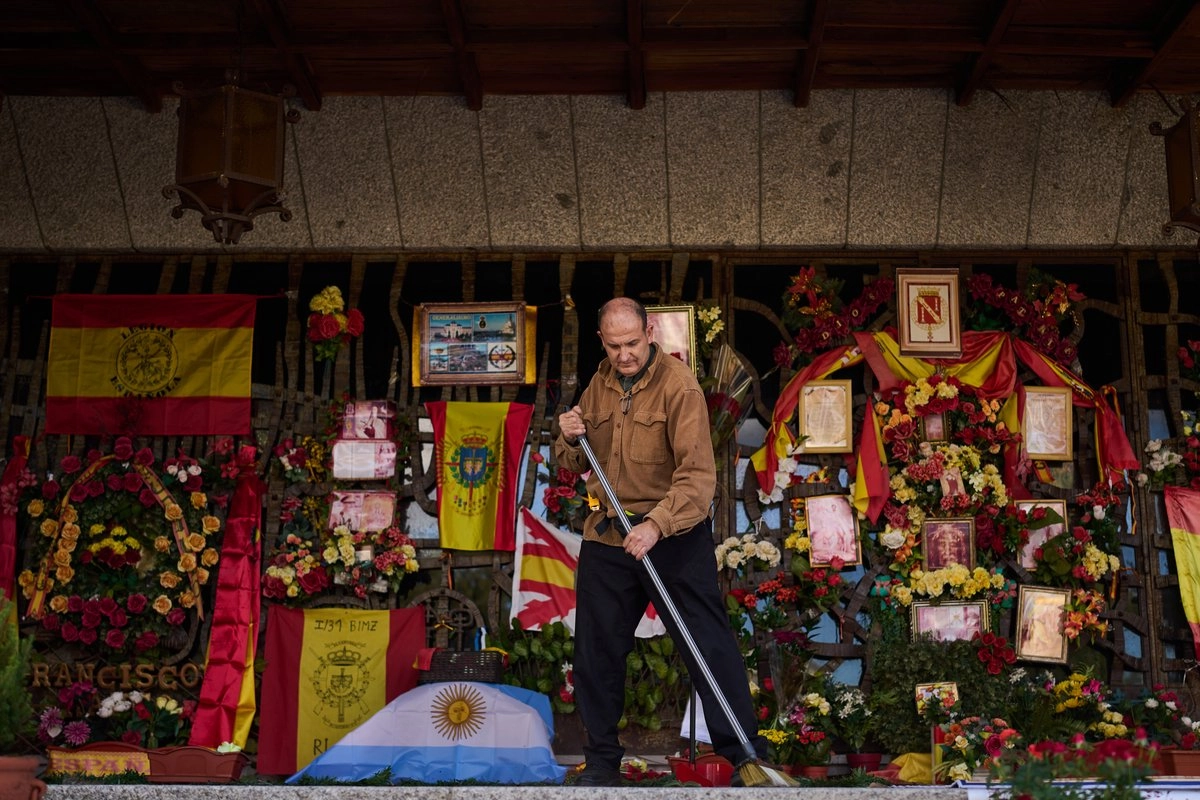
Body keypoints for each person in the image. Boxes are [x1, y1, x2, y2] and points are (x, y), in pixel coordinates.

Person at [555, 297, 768, 787]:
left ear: (650, 332)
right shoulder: (598, 384)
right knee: (595, 653)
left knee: (706, 645)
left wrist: (656, 524)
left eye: (632, 343)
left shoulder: (679, 386)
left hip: (671, 536)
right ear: (602, 342)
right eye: (614, 346)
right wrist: (567, 437)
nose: (624, 354)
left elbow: (697, 478)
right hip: (608, 537)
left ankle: (743, 756)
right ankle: (602, 762)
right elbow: (571, 464)